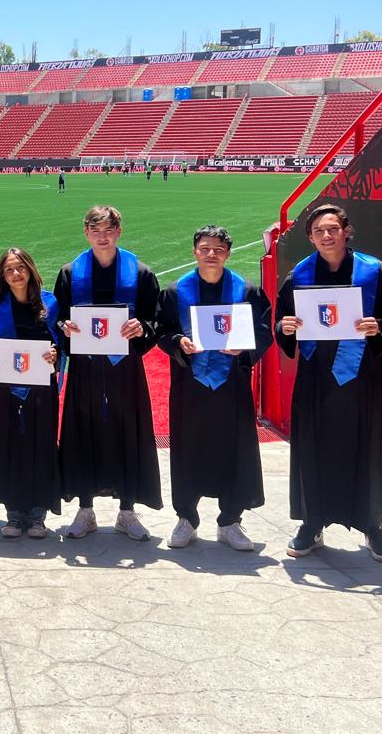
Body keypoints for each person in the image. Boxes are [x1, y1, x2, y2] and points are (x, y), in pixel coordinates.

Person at [277, 204, 382, 562]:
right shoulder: (299, 275)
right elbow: (282, 321)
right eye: (319, 230)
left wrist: (380, 326)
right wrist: (284, 328)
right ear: (310, 237)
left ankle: (373, 526)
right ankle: (312, 522)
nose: (326, 235)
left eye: (333, 228)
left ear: (345, 231)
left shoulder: (373, 271)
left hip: (361, 378)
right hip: (315, 378)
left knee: (366, 448)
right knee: (313, 449)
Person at [156, 226, 272, 550]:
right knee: (187, 450)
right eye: (205, 248)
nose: (211, 254)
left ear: (227, 253)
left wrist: (244, 348)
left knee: (233, 450)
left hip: (232, 385)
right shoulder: (175, 292)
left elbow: (264, 332)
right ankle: (186, 519)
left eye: (218, 249)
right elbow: (160, 331)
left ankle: (230, 521)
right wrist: (179, 341)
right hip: (189, 385)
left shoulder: (246, 290)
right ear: (194, 251)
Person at [54, 205, 161, 540]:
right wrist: (65, 327)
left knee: (127, 431)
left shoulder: (140, 273)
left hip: (124, 369)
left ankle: (126, 511)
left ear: (119, 231)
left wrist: (141, 327)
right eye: (95, 230)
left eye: (109, 229)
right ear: (86, 233)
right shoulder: (71, 273)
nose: (103, 237)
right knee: (82, 431)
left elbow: (155, 319)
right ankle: (85, 509)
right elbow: (57, 320)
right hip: (85, 368)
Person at [0, 248, 62, 538]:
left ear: (30, 269)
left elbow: (61, 343)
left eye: (21, 267)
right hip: (5, 388)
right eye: (10, 269)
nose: (16, 273)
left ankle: (38, 514)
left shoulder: (50, 303)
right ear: (2, 274)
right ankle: (13, 513)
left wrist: (56, 353)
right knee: (9, 443)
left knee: (40, 442)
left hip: (41, 387)